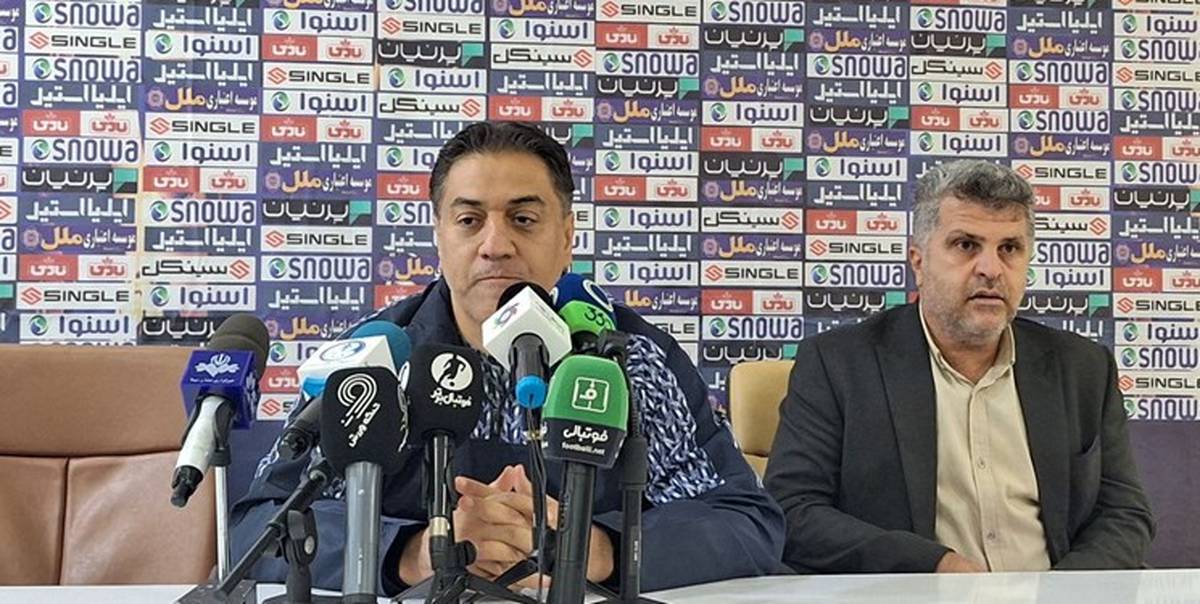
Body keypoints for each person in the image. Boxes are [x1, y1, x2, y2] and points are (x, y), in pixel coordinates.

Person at [232, 121, 785, 595]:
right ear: (439, 236)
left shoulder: (632, 357)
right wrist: (413, 553)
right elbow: (255, 529)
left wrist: (597, 548)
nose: (495, 245)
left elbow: (747, 524)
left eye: (523, 219)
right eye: (469, 221)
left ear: (566, 236)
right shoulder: (373, 359)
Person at [765, 159, 1154, 573]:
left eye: (1009, 249)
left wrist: (1062, 592)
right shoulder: (839, 365)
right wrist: (933, 566)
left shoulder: (1083, 368)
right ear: (918, 262)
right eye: (966, 245)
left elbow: (1124, 512)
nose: (991, 269)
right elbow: (793, 509)